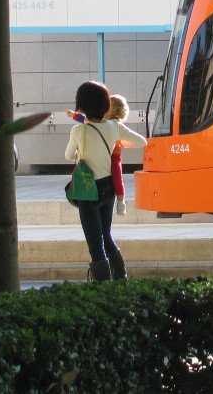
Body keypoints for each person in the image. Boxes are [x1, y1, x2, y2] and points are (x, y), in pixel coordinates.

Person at [65, 81, 147, 281]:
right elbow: (142, 142)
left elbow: (68, 156)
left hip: (88, 190)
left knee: (95, 243)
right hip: (109, 188)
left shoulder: (79, 131)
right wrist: (117, 143)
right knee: (106, 235)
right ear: (105, 105)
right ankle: (121, 278)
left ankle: (103, 289)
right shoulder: (114, 126)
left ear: (82, 104)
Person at [106, 94, 129, 217]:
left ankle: (121, 202)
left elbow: (87, 120)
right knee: (118, 179)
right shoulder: (119, 125)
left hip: (109, 156)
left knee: (117, 178)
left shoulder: (106, 123)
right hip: (115, 156)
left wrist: (76, 116)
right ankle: (121, 202)